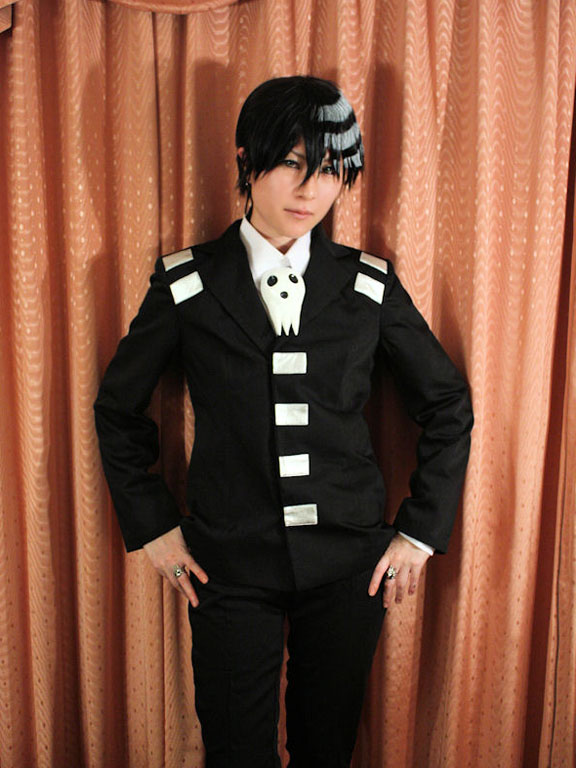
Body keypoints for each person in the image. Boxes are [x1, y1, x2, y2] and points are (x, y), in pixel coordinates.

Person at [94, 75, 473, 768]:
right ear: (246, 160)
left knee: (326, 751)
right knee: (236, 752)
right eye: (293, 163)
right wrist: (154, 527)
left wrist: (418, 533)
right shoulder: (187, 281)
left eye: (329, 170)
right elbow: (117, 410)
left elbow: (447, 404)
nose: (311, 189)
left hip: (349, 566)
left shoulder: (368, 284)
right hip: (227, 563)